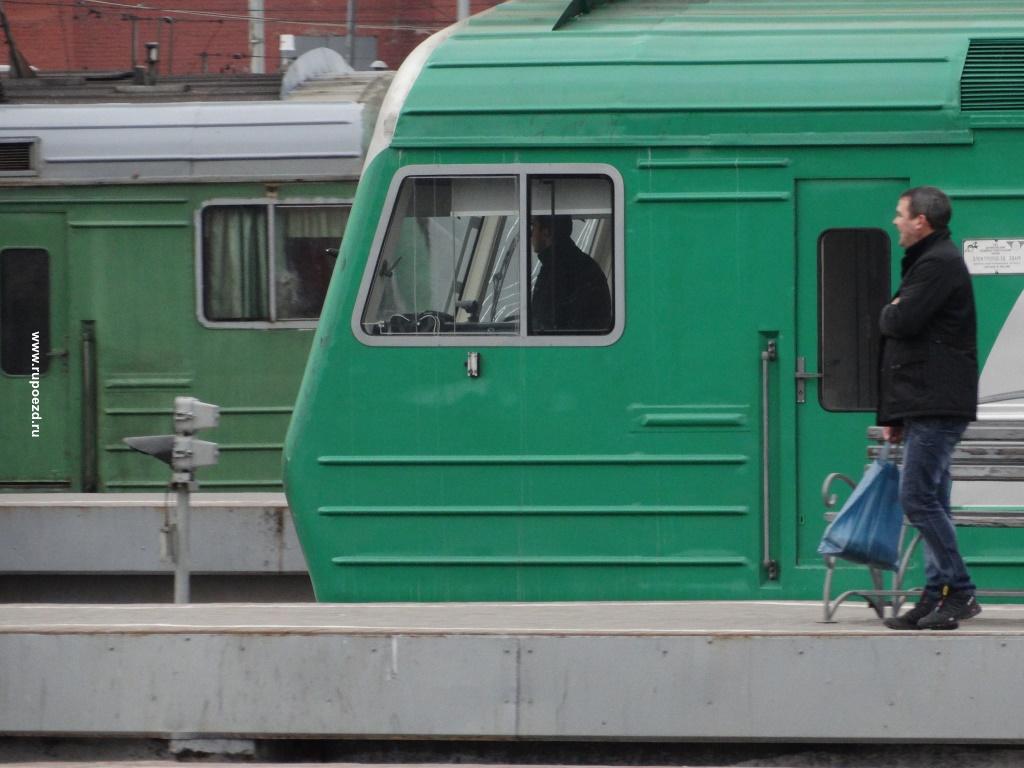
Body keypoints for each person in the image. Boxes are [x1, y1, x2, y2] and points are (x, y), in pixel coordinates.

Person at [878, 186, 980, 630]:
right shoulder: (930, 262)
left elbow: (901, 322)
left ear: (922, 220)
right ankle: (935, 594)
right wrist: (897, 417)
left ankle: (958, 590)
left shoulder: (938, 264)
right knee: (933, 498)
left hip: (937, 400)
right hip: (926, 400)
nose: (896, 221)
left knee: (917, 497)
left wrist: (891, 309)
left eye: (901, 214)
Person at [529, 215, 612, 333]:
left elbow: (543, 321)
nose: (531, 235)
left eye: (534, 227)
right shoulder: (580, 263)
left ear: (546, 232)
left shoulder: (558, 269)